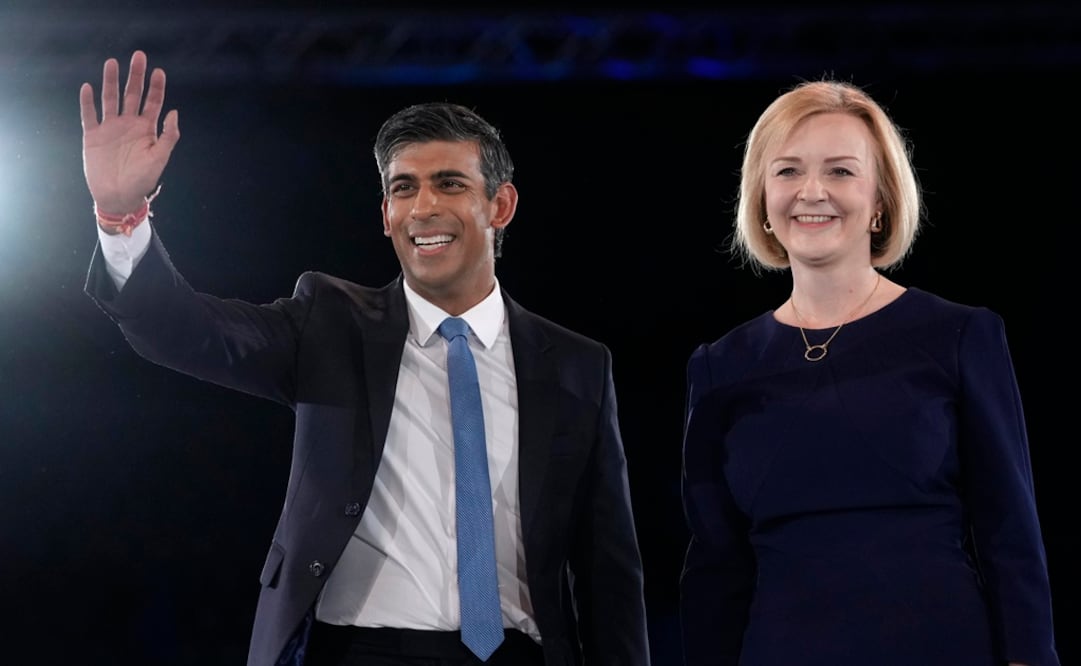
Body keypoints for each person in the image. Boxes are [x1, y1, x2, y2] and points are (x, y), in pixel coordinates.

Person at [79, 50, 650, 666]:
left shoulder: (577, 366)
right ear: (386, 215)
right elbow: (186, 331)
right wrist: (121, 219)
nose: (423, 207)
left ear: (500, 206)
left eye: (450, 184)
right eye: (404, 188)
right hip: (358, 652)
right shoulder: (328, 322)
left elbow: (608, 573)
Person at [679, 79, 1060, 666]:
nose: (811, 191)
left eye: (840, 171)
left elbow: (1010, 533)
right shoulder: (721, 366)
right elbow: (716, 567)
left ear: (880, 200)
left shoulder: (959, 335)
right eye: (787, 171)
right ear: (761, 198)